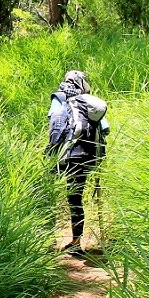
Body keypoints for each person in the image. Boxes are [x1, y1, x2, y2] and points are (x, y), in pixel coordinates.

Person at [47, 70, 109, 254]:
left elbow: (54, 124)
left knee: (65, 197)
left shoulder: (60, 98)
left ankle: (65, 241)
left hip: (68, 154)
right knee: (76, 197)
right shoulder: (88, 102)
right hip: (88, 154)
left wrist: (51, 151)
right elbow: (105, 128)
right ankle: (76, 240)